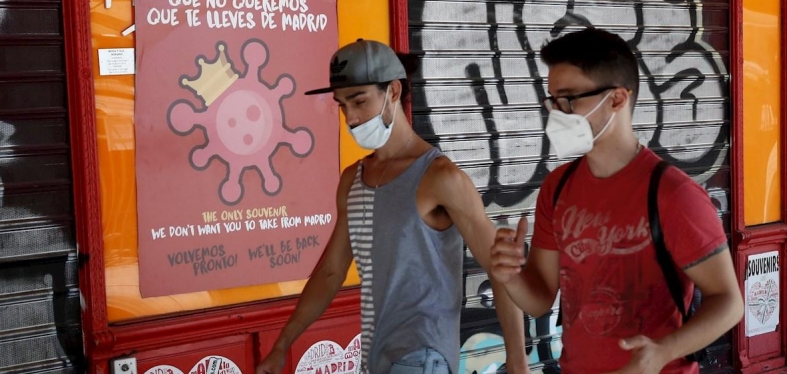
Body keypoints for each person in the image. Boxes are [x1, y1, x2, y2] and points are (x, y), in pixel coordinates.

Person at [255, 39, 531, 374]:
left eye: (359, 101)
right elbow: (331, 272)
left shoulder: (439, 176)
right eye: (342, 105)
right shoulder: (352, 180)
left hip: (421, 358)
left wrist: (518, 361)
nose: (352, 118)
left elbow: (499, 269)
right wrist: (283, 344)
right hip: (374, 359)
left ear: (394, 92)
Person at [489, 28, 743, 374]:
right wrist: (511, 275)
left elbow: (729, 303)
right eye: (552, 101)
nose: (557, 113)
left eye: (568, 100)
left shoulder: (673, 195)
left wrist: (662, 352)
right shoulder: (557, 188)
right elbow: (540, 299)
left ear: (617, 99)